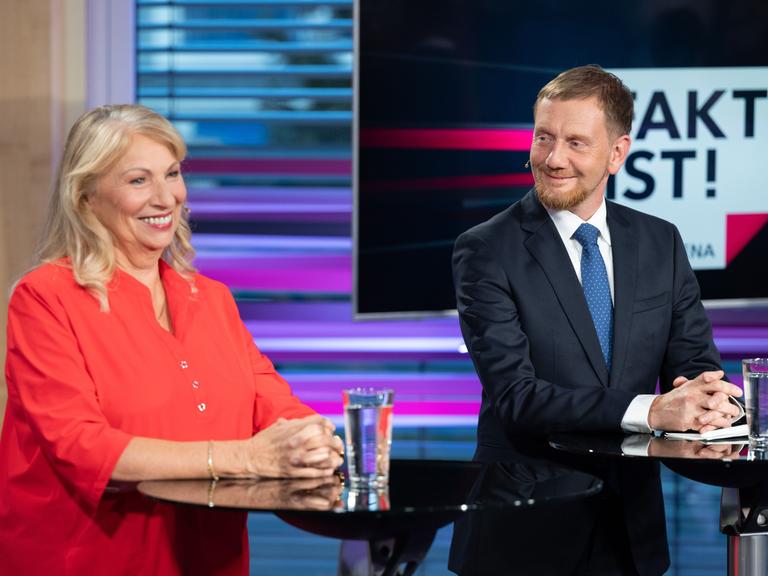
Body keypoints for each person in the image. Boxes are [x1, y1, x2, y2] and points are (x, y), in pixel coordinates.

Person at [0, 104, 344, 575]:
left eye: (172, 174)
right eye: (138, 180)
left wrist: (311, 440)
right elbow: (83, 447)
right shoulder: (45, 298)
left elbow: (275, 406)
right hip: (87, 559)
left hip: (208, 558)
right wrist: (244, 456)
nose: (165, 198)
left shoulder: (212, 298)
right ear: (86, 197)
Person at [453, 65, 743, 443]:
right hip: (534, 493)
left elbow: (694, 368)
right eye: (544, 138)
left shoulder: (661, 241)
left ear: (617, 153)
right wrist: (651, 410)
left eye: (576, 142)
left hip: (634, 496)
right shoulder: (486, 249)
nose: (553, 159)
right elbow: (516, 397)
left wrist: (718, 404)